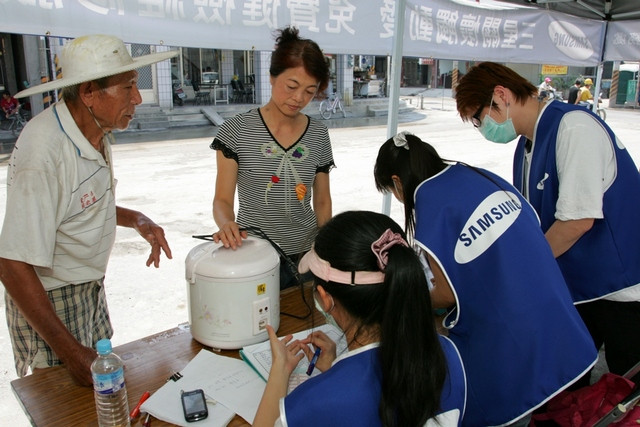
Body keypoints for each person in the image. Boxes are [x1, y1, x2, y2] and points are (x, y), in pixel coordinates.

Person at [373, 132, 597, 426]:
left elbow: (445, 295)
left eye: (391, 190)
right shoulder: (475, 174)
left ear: (397, 182)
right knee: (562, 410)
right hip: (559, 320)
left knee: (494, 403)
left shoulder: (431, 201)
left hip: (514, 340)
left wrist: (403, 296)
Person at [0, 34, 176, 386]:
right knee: (64, 404)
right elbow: (11, 263)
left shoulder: (95, 128)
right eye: (128, 88)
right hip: (50, 299)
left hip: (89, 288)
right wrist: (70, 352)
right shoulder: (44, 151)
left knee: (102, 390)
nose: (138, 98)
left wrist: (136, 219)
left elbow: (82, 202)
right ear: (90, 93)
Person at [455, 62, 640, 386]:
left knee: (626, 390)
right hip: (580, 290)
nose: (481, 127)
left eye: (478, 118)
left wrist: (521, 270)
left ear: (501, 95)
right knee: (566, 383)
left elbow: (577, 221)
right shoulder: (527, 146)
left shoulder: (573, 128)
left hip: (623, 292)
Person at [253, 210, 466, 427]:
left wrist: (281, 370)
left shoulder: (313, 402)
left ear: (326, 299)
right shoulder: (448, 355)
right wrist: (338, 370)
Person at [210, 26, 334, 289]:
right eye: (292, 86)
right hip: (254, 254)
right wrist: (227, 223)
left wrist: (327, 244)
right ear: (271, 77)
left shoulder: (319, 134)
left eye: (310, 91)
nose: (299, 98)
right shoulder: (235, 130)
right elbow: (222, 200)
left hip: (307, 254)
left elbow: (322, 200)